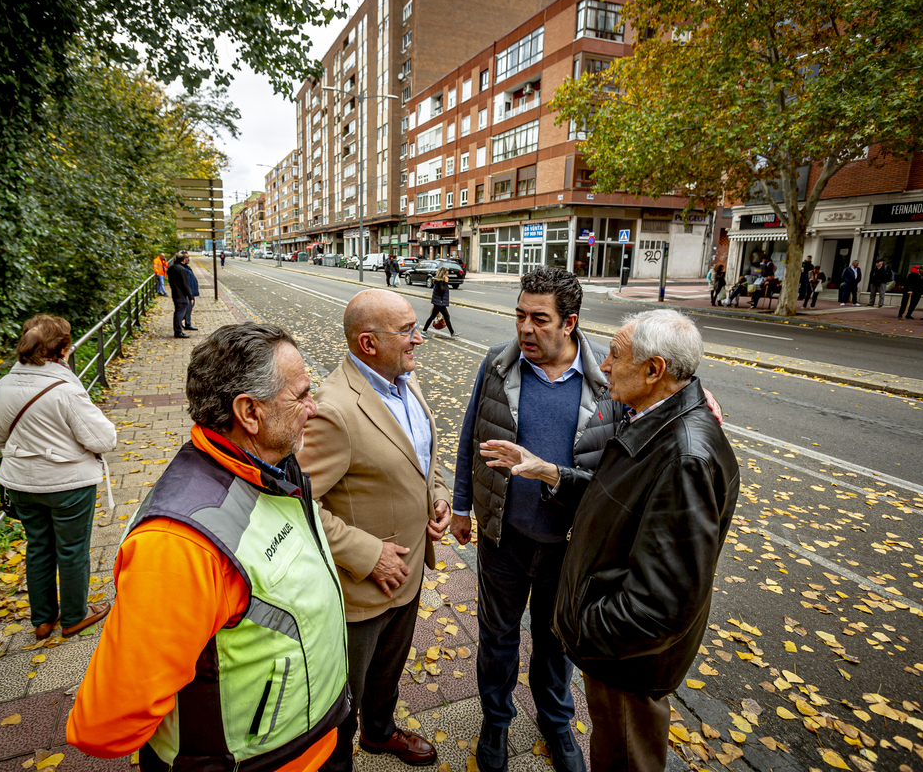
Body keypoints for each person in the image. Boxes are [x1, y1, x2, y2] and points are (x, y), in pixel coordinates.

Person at [68, 324, 349, 771]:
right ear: (250, 412)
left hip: (319, 738)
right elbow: (108, 724)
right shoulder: (178, 545)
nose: (313, 409)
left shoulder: (274, 466)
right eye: (301, 395)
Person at [479, 310, 739, 772]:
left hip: (627, 663)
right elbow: (613, 499)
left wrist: (581, 628)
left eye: (615, 357)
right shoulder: (652, 418)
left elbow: (663, 604)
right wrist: (549, 471)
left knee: (623, 757)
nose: (604, 367)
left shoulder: (683, 457)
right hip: (619, 653)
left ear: (654, 370)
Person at [450, 267, 620, 772]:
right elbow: (470, 439)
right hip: (504, 536)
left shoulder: (606, 379)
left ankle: (555, 720)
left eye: (538, 319)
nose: (524, 327)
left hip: (568, 545)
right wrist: (463, 506)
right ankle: (496, 722)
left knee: (555, 642)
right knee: (497, 637)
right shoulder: (498, 365)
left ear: (570, 323)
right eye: (520, 315)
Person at [297, 289, 450, 772]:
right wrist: (366, 553)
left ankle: (380, 735)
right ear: (368, 343)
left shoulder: (404, 379)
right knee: (345, 695)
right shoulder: (333, 408)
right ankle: (334, 759)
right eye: (407, 330)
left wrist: (438, 494)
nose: (419, 338)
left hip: (407, 574)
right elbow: (296, 501)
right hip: (361, 589)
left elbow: (421, 455)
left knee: (388, 673)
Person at [0, 314, 117, 640]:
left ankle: (42, 619)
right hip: (68, 484)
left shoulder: (1, 387)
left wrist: (25, 451)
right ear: (64, 349)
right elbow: (103, 439)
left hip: (21, 483)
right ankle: (74, 616)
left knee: (38, 546)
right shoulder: (64, 388)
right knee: (72, 549)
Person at [423, 267, 456, 337]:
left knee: (434, 316)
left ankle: (424, 331)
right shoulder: (439, 281)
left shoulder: (440, 280)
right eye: (446, 274)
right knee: (446, 316)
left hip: (439, 302)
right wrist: (446, 282)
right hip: (439, 302)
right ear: (443, 274)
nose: (448, 276)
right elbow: (442, 290)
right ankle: (452, 333)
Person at [167, 252, 193, 339]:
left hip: (174, 293)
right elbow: (185, 284)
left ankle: (178, 329)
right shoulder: (182, 269)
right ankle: (178, 331)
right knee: (180, 313)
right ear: (183, 260)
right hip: (181, 294)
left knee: (177, 311)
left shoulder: (171, 268)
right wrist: (190, 296)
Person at [181, 252, 200, 331]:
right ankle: (185, 323)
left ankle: (184, 321)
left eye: (188, 257)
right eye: (186, 257)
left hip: (191, 292)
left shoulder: (187, 267)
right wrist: (189, 294)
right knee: (187, 309)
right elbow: (185, 283)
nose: (188, 259)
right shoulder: (183, 269)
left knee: (189, 308)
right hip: (187, 293)